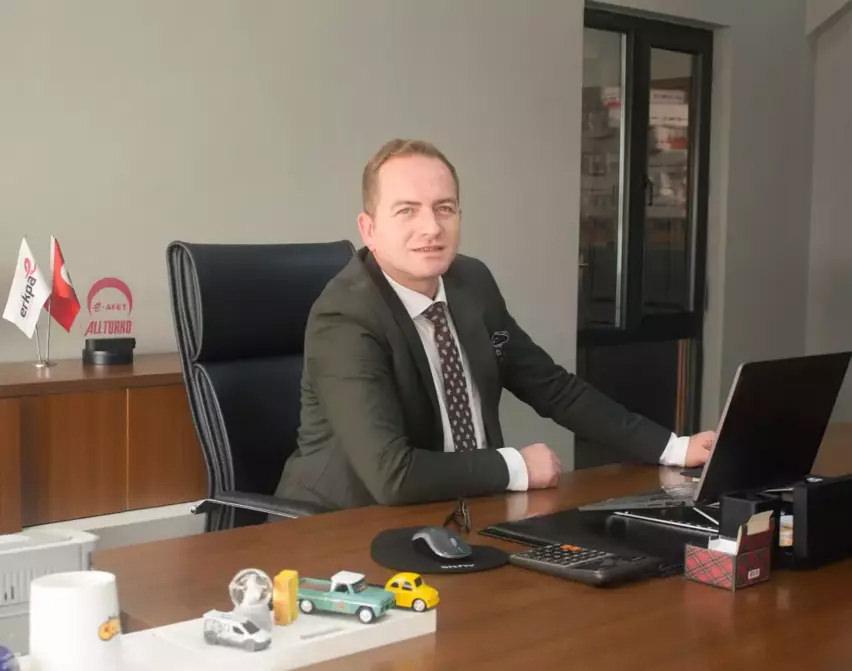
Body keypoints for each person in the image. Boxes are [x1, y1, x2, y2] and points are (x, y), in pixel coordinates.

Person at [274, 139, 715, 510]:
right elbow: (394, 476)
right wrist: (516, 466)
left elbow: (551, 386)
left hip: (459, 509)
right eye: (407, 211)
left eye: (444, 208)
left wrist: (672, 448)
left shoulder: (471, 284)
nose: (431, 227)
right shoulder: (345, 318)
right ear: (368, 229)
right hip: (338, 531)